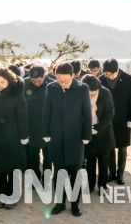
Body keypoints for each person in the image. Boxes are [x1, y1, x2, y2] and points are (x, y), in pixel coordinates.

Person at [43, 63, 92, 217]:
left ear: (73, 75)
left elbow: (87, 113)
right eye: (59, 80)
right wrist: (46, 132)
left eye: (65, 80)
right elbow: (47, 111)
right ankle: (59, 203)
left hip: (75, 137)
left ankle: (75, 204)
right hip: (56, 136)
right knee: (59, 172)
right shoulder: (51, 87)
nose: (62, 83)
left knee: (75, 173)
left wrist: (86, 135)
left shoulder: (82, 88)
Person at [0, 67, 27, 210]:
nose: (0, 85)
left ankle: (13, 197)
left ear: (9, 81)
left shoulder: (17, 94)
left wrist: (23, 135)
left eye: (3, 82)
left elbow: (22, 116)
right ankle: (1, 196)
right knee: (0, 167)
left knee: (13, 167)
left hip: (13, 133)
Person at [99, 58, 131, 185]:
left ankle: (120, 174)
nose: (108, 77)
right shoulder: (101, 79)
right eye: (106, 74)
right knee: (109, 147)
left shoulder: (128, 79)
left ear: (117, 70)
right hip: (107, 119)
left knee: (122, 148)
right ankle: (112, 173)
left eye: (111, 74)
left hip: (123, 119)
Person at [81, 74, 115, 194]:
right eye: (89, 91)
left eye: (94, 91)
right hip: (87, 133)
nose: (91, 93)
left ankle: (102, 186)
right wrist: (86, 128)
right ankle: (90, 185)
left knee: (103, 161)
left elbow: (110, 114)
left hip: (103, 132)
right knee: (90, 161)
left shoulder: (105, 93)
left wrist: (98, 128)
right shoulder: (80, 92)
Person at [23, 66, 52, 180]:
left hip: (48, 127)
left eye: (39, 81)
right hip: (30, 127)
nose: (36, 83)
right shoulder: (23, 84)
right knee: (32, 157)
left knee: (48, 157)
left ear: (45, 75)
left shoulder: (53, 85)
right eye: (33, 81)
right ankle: (35, 179)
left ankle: (46, 179)